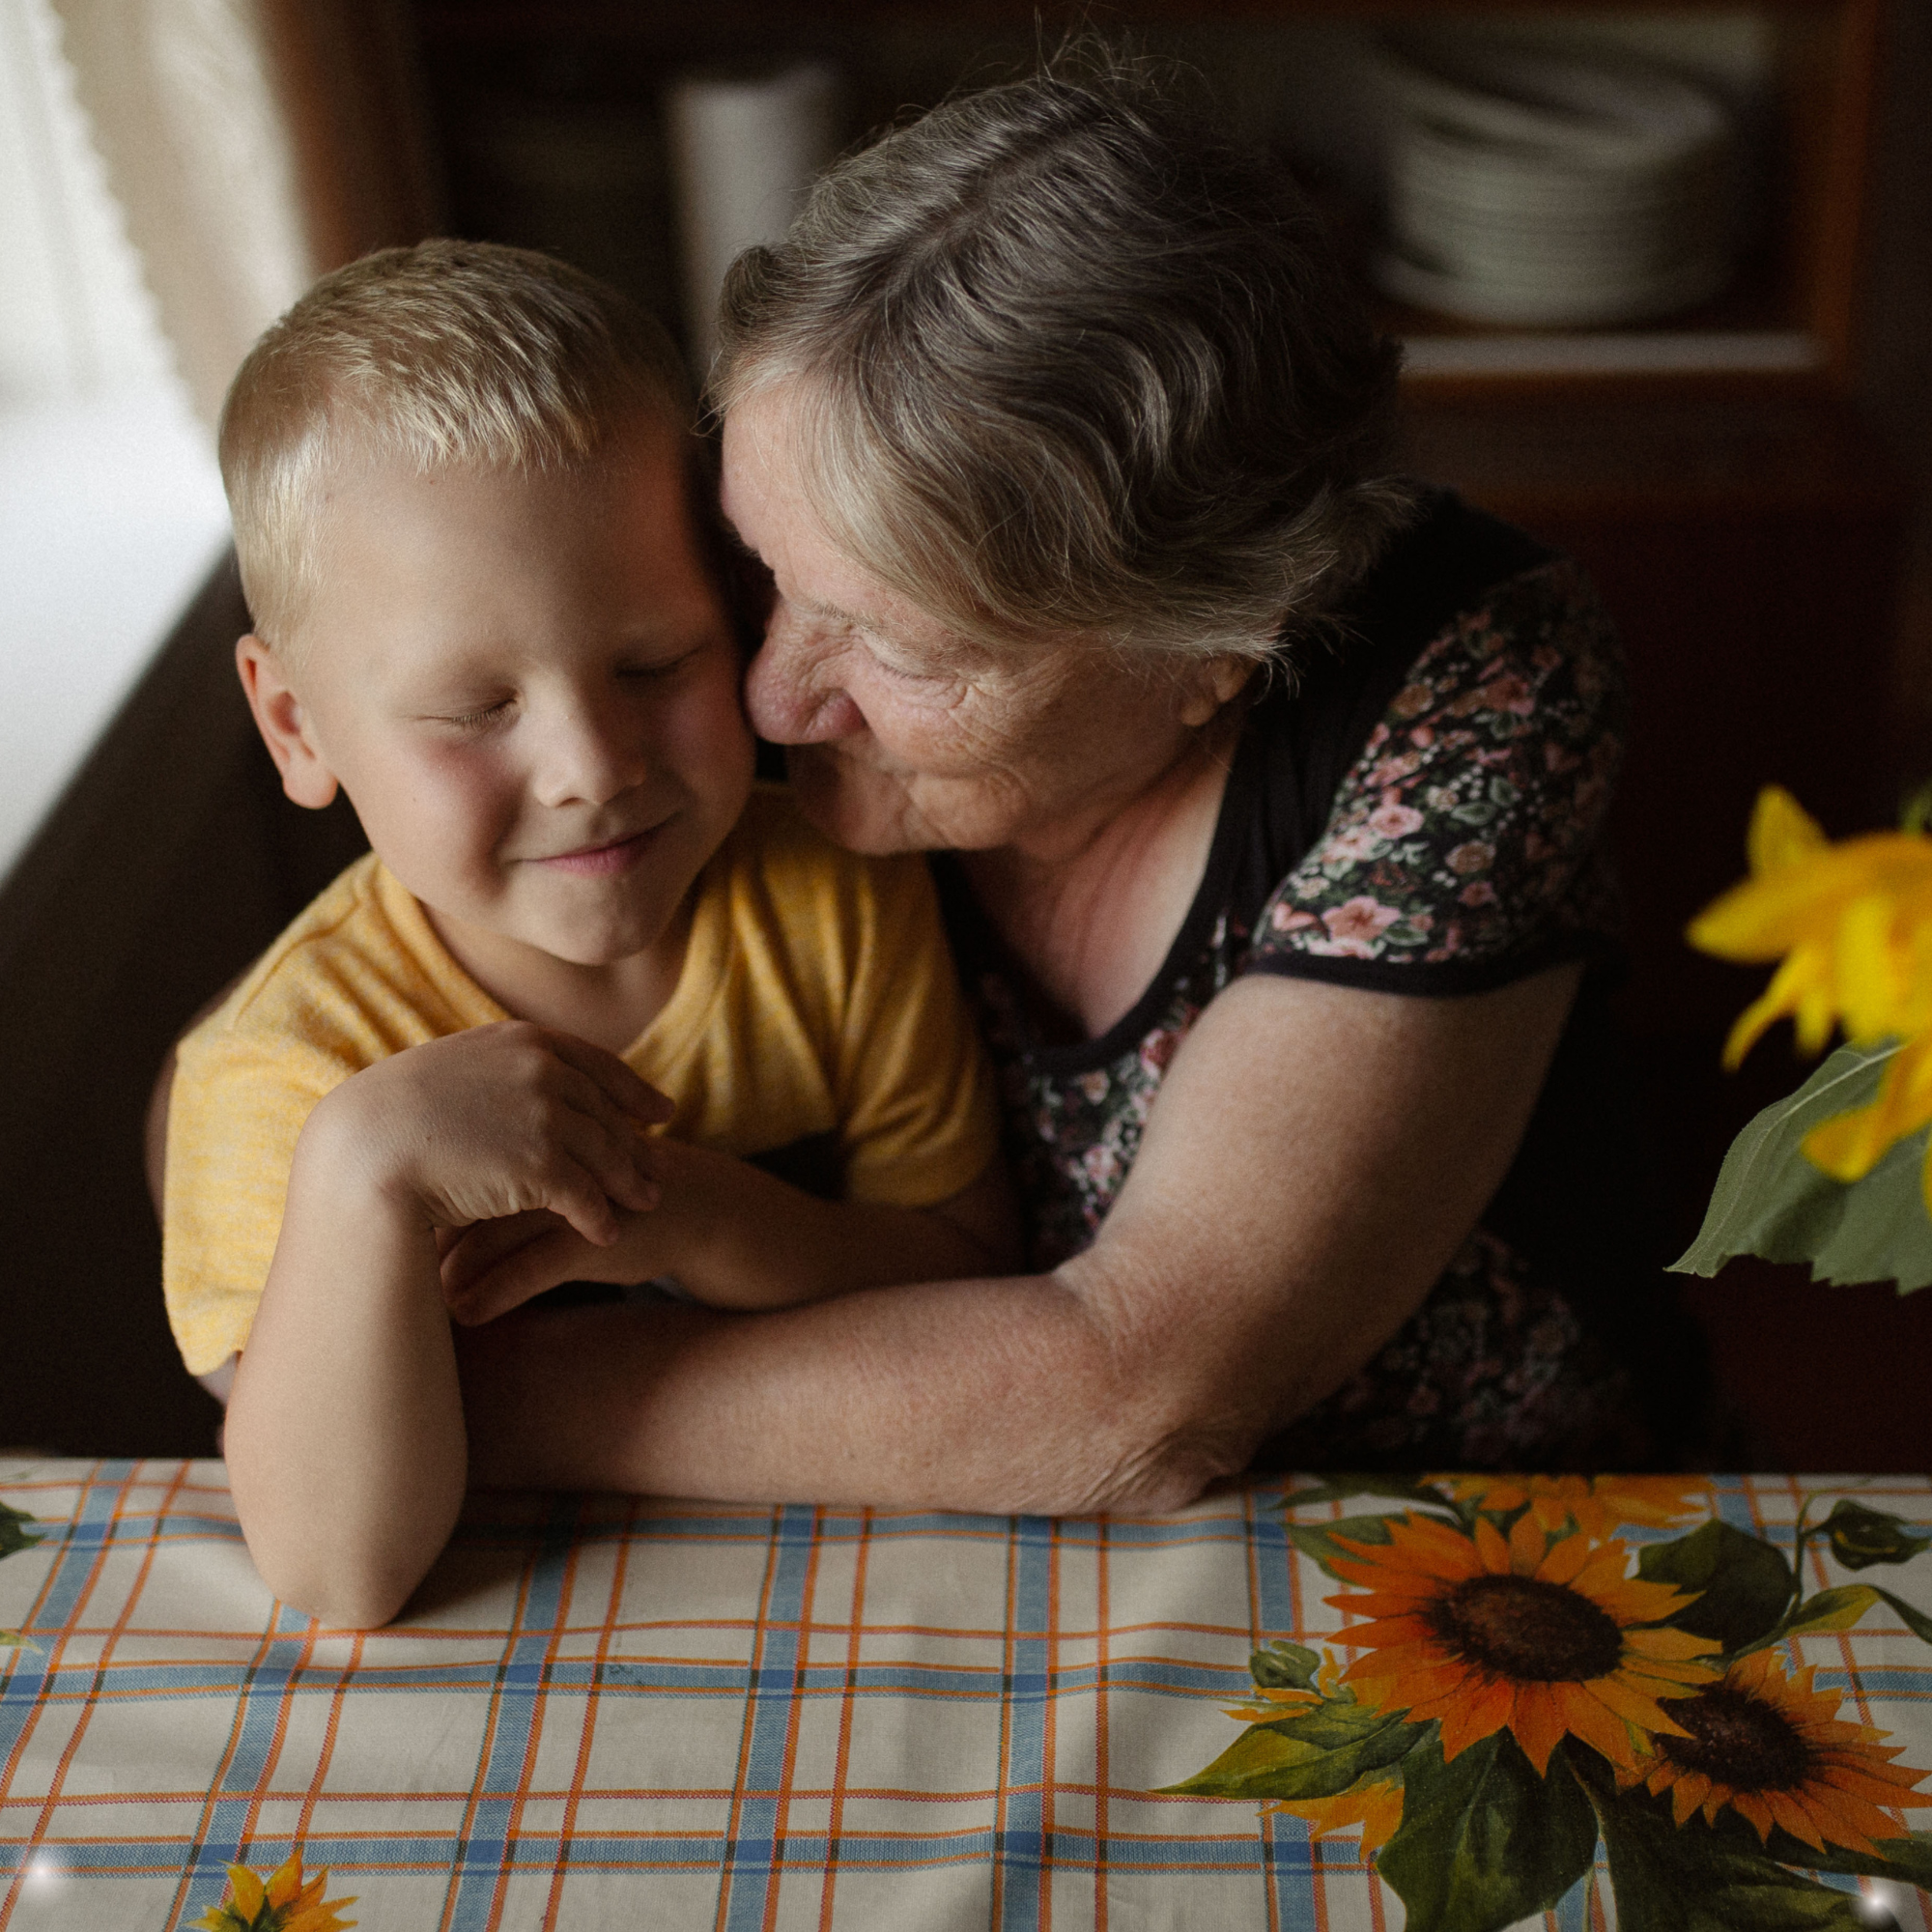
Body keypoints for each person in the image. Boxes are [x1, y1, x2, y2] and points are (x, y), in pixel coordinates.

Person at [445, 57, 1711, 1500]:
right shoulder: (708, 656)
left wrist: (450, 1405)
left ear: (1218, 647)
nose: (769, 692)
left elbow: (1145, 1401)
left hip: (1479, 1549)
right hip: (907, 1540)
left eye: (902, 649)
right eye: (759, 569)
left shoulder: (1471, 673)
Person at [161, 241, 1013, 1629]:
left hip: (870, 1591)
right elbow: (336, 1573)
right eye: (472, 708)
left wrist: (685, 1212)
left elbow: (973, 1271)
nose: (591, 765)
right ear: (295, 725)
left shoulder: (842, 901)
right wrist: (366, 1173)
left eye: (654, 665)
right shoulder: (291, 1070)